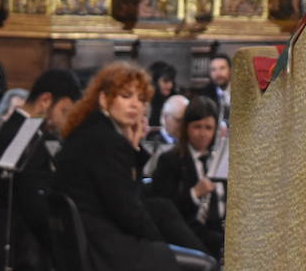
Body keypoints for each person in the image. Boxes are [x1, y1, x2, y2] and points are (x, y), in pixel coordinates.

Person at [53, 62, 215, 271]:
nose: (135, 105)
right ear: (104, 99)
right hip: (103, 246)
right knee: (205, 265)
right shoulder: (106, 141)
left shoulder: (89, 131)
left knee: (161, 208)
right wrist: (160, 245)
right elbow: (127, 209)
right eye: (125, 96)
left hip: (88, 236)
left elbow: (129, 196)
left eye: (141, 99)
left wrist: (133, 145)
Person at [0, 69, 82, 271]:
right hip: (21, 244)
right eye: (64, 111)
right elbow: (31, 199)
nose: (65, 121)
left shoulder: (32, 131)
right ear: (45, 100)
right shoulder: (23, 133)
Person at [150, 96, 224, 260]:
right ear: (186, 128)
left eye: (208, 128)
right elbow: (162, 210)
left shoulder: (220, 160)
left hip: (221, 229)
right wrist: (194, 193)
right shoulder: (170, 161)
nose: (203, 133)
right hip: (188, 232)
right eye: (197, 127)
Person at [195, 53, 231, 126]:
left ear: (230, 70)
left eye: (222, 68)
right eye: (213, 70)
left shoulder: (241, 91)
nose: (218, 73)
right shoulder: (203, 95)